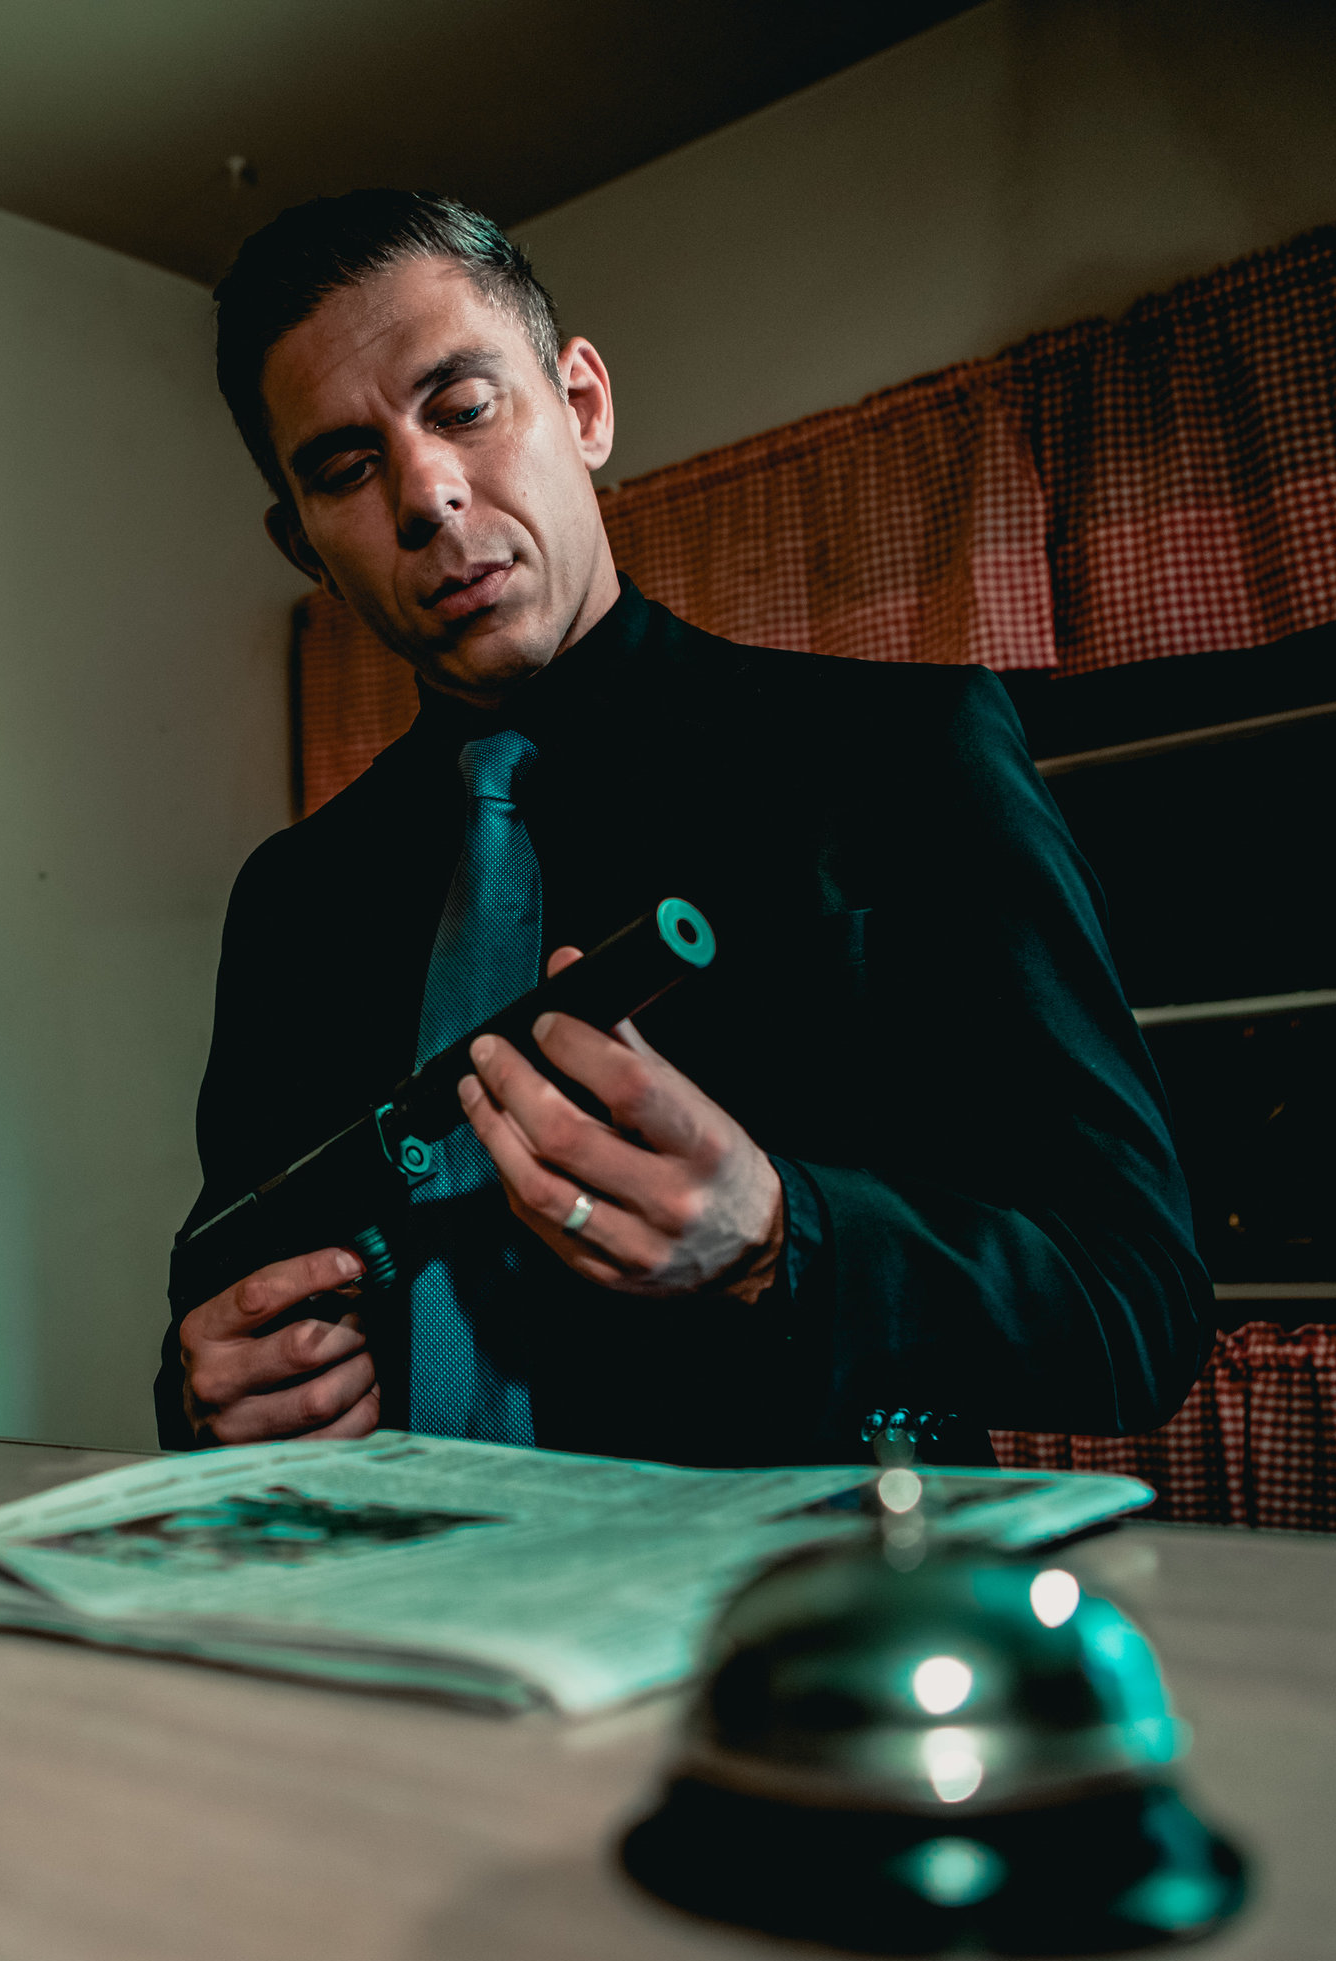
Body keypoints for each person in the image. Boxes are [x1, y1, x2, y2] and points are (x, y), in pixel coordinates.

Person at [154, 191, 1212, 1467]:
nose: (427, 494)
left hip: (798, 1587)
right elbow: (227, 1296)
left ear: (583, 406)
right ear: (306, 547)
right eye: (345, 468)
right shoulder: (292, 898)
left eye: (465, 407)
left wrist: (780, 1239)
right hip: (391, 1586)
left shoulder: (905, 758)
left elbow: (1138, 1303)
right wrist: (205, 1393)